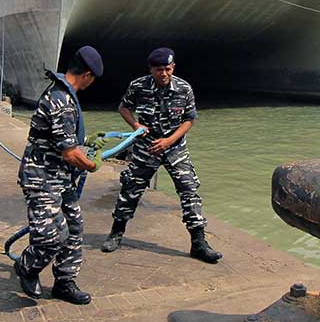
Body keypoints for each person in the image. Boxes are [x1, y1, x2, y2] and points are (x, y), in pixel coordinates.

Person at [102, 47, 221, 263]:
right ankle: (116, 233)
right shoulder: (138, 86)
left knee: (189, 190)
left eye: (168, 69)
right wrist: (136, 125)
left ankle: (199, 243)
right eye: (159, 70)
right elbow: (124, 107)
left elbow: (189, 119)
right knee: (130, 189)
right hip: (146, 147)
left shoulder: (184, 88)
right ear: (151, 69)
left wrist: (169, 141)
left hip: (174, 147)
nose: (164, 74)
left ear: (173, 67)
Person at [14, 46, 104, 305]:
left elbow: (61, 137)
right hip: (41, 178)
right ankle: (27, 266)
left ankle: (64, 282)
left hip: (59, 178)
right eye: (92, 80)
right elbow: (69, 153)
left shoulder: (64, 95)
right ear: (87, 75)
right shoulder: (61, 100)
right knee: (52, 236)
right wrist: (92, 165)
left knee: (74, 228)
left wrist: (86, 141)